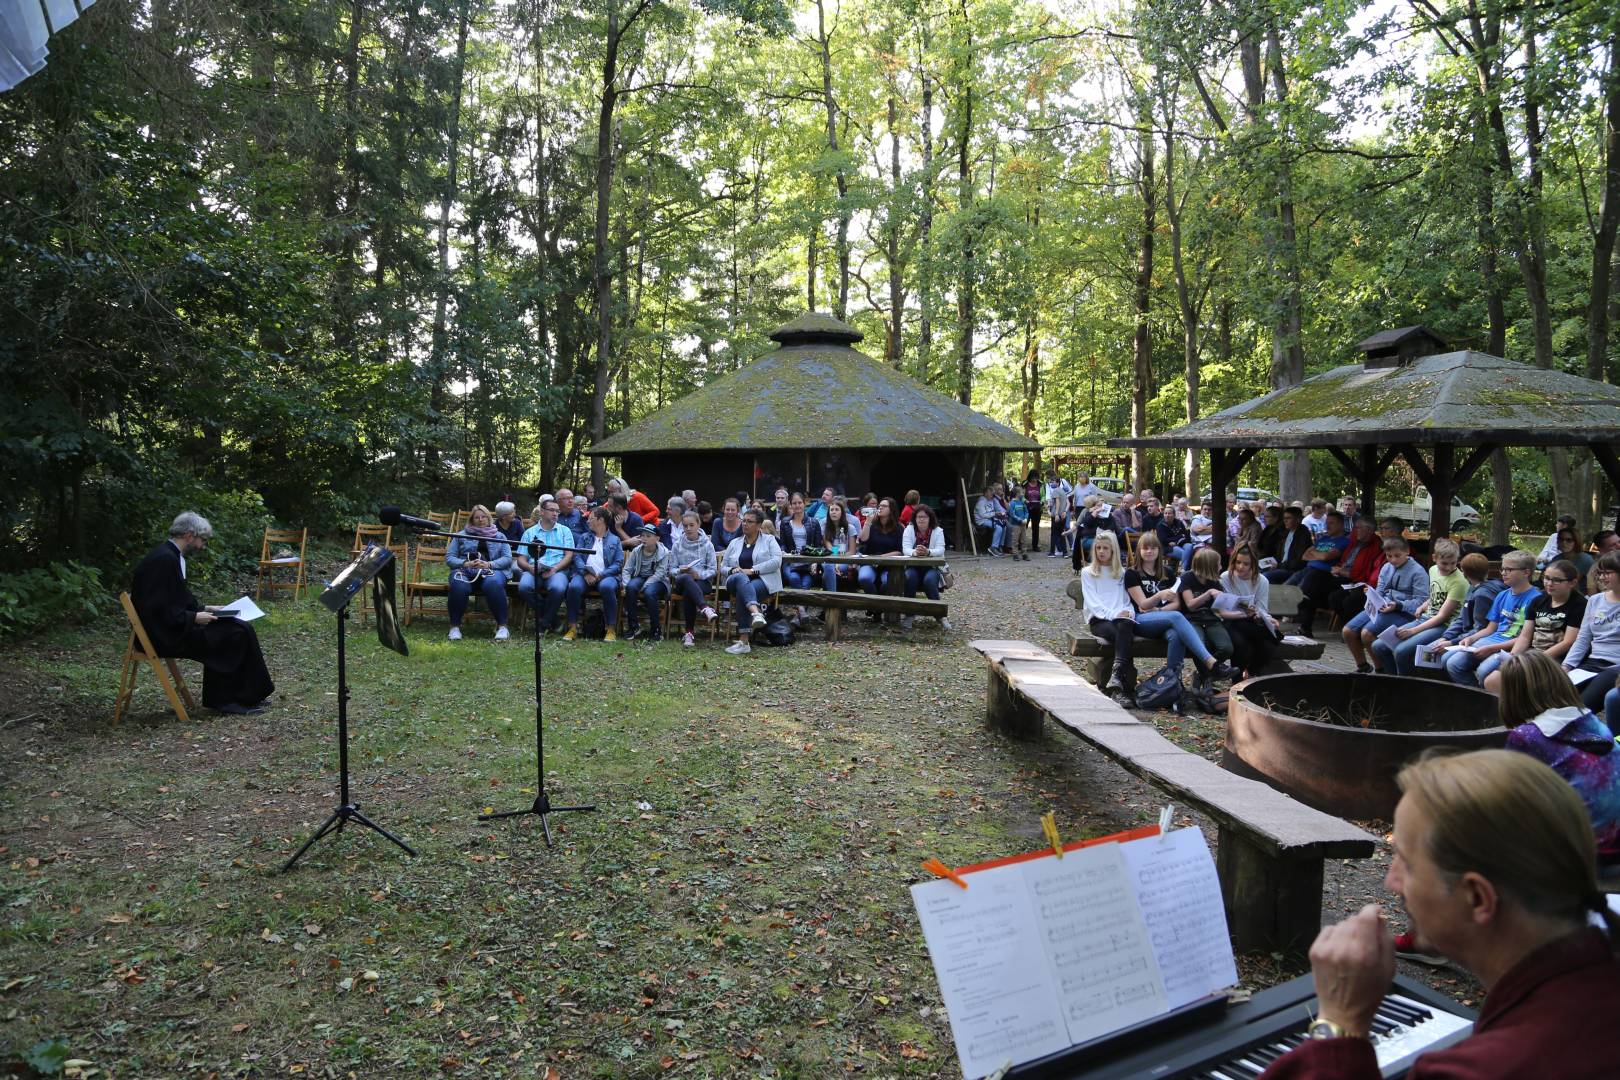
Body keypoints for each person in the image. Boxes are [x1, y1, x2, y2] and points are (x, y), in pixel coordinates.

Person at [1257, 750, 1620, 1079]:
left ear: (1477, 898)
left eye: (1406, 862)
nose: (1390, 881)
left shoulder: (1482, 1069)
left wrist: (1340, 1023)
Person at [130, 511, 274, 714]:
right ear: (189, 535)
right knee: (233, 634)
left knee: (241, 626)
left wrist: (205, 609)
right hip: (163, 635)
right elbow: (154, 609)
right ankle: (224, 700)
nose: (202, 546)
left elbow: (174, 601)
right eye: (202, 540)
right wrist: (194, 617)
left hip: (173, 626)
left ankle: (249, 695)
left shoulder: (170, 556)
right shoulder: (163, 560)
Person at [1496, 652, 1620, 866]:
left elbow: (1508, 799)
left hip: (1585, 857)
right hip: (1614, 846)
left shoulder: (1527, 736)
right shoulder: (1590, 719)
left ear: (1512, 693)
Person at [1125, 531, 1232, 694]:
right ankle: (1210, 661)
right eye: (1145, 548)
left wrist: (1159, 610)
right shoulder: (1132, 573)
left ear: (1159, 550)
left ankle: (1172, 683)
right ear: (1139, 551)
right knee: (1176, 617)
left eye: (1153, 548)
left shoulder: (1167, 572)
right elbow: (1143, 605)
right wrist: (1159, 596)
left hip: (1164, 619)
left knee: (1177, 634)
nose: (1149, 551)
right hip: (1141, 620)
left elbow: (1176, 604)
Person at [1481, 560, 1585, 692]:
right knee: (1492, 681)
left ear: (1572, 583)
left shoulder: (1579, 604)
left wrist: (1535, 660)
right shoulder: (1538, 600)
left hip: (1556, 657)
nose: (1549, 583)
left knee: (1522, 684)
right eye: (1546, 578)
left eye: (1557, 580)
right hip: (1531, 652)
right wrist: (1513, 656)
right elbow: (1525, 637)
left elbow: (1568, 642)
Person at [1442, 550, 1542, 687]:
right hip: (1493, 639)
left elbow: (1526, 638)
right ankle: (1476, 693)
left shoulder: (1537, 598)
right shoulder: (1502, 595)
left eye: (1509, 570)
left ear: (1526, 572)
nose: (1503, 573)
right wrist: (1471, 638)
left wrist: (1491, 648)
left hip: (1512, 646)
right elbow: (1490, 628)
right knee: (1450, 662)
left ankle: (1487, 694)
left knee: (1483, 671)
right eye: (1503, 569)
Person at [1371, 539, 1466, 676]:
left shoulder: (1459, 582)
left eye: (1453, 563)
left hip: (1444, 625)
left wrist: (1413, 631)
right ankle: (1391, 679)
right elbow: (1436, 594)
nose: (1449, 567)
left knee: (1401, 651)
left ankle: (1407, 684)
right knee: (1378, 646)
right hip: (1426, 618)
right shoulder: (1433, 570)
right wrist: (1423, 605)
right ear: (1434, 558)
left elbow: (1442, 616)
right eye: (1444, 563)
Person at [1342, 536, 1427, 674]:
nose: (1393, 560)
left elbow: (1421, 601)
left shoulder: (1418, 572)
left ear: (1407, 552)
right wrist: (1372, 594)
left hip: (1404, 612)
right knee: (1348, 631)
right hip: (1384, 606)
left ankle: (1381, 670)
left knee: (1367, 634)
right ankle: (1363, 666)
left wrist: (1398, 605)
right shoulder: (1386, 567)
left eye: (1397, 556)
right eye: (1389, 556)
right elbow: (1380, 590)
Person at [1080, 531, 1141, 703]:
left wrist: (1129, 613)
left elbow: (1126, 601)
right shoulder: (1087, 572)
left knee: (1125, 626)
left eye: (1105, 548)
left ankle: (1116, 681)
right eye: (1098, 548)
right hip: (1100, 620)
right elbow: (1094, 604)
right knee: (1123, 634)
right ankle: (1124, 687)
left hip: (1121, 621)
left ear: (1113, 550)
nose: (1101, 551)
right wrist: (1114, 614)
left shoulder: (1121, 573)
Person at [1562, 551, 1620, 713]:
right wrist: (1566, 666)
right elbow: (1583, 638)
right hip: (1592, 662)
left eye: (1607, 573)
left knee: (1582, 707)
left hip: (1616, 666)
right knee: (1556, 697)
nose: (1601, 578)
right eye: (1600, 573)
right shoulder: (1595, 600)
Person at [445, 504, 512, 641]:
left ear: (489, 518)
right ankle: (454, 627)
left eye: (483, 517)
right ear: (471, 520)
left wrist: (489, 564)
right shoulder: (460, 536)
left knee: (493, 583)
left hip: (492, 570)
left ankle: (502, 627)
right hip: (465, 570)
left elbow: (507, 558)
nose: (480, 520)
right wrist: (465, 563)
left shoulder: (500, 536)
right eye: (477, 517)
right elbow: (450, 558)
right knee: (459, 584)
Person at [721, 507, 782, 655]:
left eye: (750, 521)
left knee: (745, 592)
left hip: (762, 581)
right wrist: (732, 570)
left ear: (759, 525)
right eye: (744, 521)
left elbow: (776, 561)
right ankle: (756, 612)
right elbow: (722, 566)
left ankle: (744, 641)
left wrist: (753, 570)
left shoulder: (769, 540)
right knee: (741, 578)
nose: (745, 524)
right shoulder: (734, 542)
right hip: (734, 580)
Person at [515, 496, 576, 633]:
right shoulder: (529, 532)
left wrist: (555, 569)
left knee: (558, 588)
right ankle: (552, 620)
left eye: (557, 511)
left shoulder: (565, 531)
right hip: (534, 569)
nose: (555, 513)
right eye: (552, 510)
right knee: (524, 587)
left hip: (557, 570)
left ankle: (543, 623)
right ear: (542, 512)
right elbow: (521, 559)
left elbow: (569, 555)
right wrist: (529, 568)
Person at [1221, 542, 1281, 679]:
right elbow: (1225, 606)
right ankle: (1237, 682)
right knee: (1241, 644)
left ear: (1253, 564)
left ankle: (1252, 673)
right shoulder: (1226, 577)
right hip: (1231, 620)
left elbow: (1262, 608)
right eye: (1238, 562)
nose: (1240, 567)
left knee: (1268, 645)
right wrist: (1246, 611)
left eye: (1246, 564)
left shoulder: (1262, 581)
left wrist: (1267, 619)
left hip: (1251, 622)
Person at [563, 506, 624, 642]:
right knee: (574, 587)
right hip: (584, 574)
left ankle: (610, 629)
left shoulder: (615, 540)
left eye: (591, 518)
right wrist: (585, 572)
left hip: (606, 576)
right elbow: (577, 556)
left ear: (600, 520)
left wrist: (601, 575)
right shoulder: (584, 537)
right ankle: (572, 628)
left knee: (607, 587)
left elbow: (618, 563)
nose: (588, 521)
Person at [1290, 511, 1354, 635]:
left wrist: (1315, 554)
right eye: (1326, 523)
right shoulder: (1323, 538)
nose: (1327, 526)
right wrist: (1319, 555)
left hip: (1324, 574)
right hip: (1307, 571)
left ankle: (1304, 625)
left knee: (1306, 592)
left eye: (1331, 523)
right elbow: (1304, 555)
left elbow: (1326, 557)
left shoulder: (1344, 541)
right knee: (1285, 588)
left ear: (1341, 525)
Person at [1177, 546, 1236, 665]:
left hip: (1211, 619)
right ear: (1208, 566)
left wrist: (1244, 611)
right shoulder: (1187, 578)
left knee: (1226, 648)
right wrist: (1208, 594)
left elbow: (1222, 609)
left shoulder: (1214, 581)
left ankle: (1210, 670)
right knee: (1200, 646)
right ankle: (1210, 673)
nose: (1220, 567)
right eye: (1218, 564)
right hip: (1192, 619)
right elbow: (1190, 605)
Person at [668, 509, 718, 648]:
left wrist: (699, 575)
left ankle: (689, 633)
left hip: (702, 582)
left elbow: (713, 570)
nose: (688, 528)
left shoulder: (707, 544)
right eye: (685, 526)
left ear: (698, 525)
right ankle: (705, 608)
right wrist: (680, 570)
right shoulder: (677, 544)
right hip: (681, 581)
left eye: (691, 525)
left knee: (689, 592)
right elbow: (671, 570)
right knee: (686, 578)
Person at [900, 504, 952, 631]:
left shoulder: (938, 531)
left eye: (924, 517)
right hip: (913, 566)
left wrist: (928, 552)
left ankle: (940, 615)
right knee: (909, 578)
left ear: (930, 518)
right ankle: (909, 615)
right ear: (915, 518)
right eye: (918, 517)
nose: (921, 519)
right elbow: (905, 548)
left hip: (932, 567)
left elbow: (940, 550)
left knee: (929, 581)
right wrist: (915, 552)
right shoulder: (909, 529)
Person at [776, 492, 825, 616]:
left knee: (806, 583)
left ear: (804, 504)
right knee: (794, 578)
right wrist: (783, 551)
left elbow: (818, 546)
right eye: (794, 503)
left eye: (799, 503)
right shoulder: (785, 522)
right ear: (790, 505)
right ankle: (802, 612)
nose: (797, 505)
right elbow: (783, 543)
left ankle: (799, 615)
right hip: (791, 562)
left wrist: (815, 562)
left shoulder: (814, 522)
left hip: (809, 563)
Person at [621, 524, 671, 641]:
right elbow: (627, 570)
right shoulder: (637, 551)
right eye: (642, 535)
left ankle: (656, 629)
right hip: (640, 577)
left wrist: (644, 586)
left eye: (648, 536)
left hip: (659, 581)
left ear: (657, 538)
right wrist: (626, 584)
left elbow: (660, 573)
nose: (644, 538)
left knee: (649, 593)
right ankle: (633, 626)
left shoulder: (664, 552)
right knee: (631, 588)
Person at [858, 496, 906, 596]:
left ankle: (880, 602)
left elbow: (900, 551)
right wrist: (868, 521)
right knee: (864, 578)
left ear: (891, 510)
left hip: (889, 564)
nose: (880, 507)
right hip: (870, 562)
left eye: (884, 506)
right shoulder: (872, 525)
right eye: (879, 506)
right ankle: (875, 602)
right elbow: (863, 540)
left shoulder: (899, 528)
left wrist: (881, 558)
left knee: (887, 582)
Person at [1263, 505, 1317, 584]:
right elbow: (1280, 553)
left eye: (1288, 518)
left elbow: (1297, 561)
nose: (1285, 521)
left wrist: (1278, 566)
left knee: (1265, 576)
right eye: (1284, 518)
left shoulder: (1303, 535)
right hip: (1281, 565)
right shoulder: (1285, 532)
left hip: (1292, 570)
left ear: (1298, 519)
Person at [819, 499, 859, 594]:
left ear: (842, 513)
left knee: (825, 576)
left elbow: (852, 551)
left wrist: (838, 561)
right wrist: (835, 562)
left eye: (837, 510)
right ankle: (833, 598)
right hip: (829, 559)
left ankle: (831, 600)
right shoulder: (825, 528)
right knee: (829, 566)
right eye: (832, 510)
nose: (834, 512)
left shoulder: (850, 528)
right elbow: (829, 549)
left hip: (845, 559)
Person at [1044, 469, 1072, 557]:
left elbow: (1057, 503)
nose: (1050, 483)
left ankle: (1052, 552)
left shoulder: (1055, 491)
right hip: (1063, 514)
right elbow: (1068, 503)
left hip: (1057, 515)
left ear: (1057, 482)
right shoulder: (1063, 491)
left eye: (1052, 482)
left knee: (1054, 534)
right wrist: (1065, 511)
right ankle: (1065, 553)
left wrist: (1055, 513)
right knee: (1062, 533)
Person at [974, 484, 1009, 555]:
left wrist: (997, 514)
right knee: (998, 527)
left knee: (1004, 526)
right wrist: (994, 514)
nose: (992, 495)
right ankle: (993, 547)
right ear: (986, 493)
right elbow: (983, 515)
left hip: (990, 519)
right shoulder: (981, 502)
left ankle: (1000, 546)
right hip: (982, 520)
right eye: (991, 493)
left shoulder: (990, 500)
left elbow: (992, 511)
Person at [1023, 469, 1044, 552]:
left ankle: (1035, 546)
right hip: (1026, 508)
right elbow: (1020, 494)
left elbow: (1044, 495)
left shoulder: (1041, 484)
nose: (1034, 480)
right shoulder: (1025, 484)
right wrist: (1025, 500)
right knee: (1024, 526)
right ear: (1030, 477)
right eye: (1032, 478)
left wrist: (1042, 501)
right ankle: (1021, 545)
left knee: (1035, 528)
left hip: (1037, 508)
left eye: (1036, 478)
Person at [1006, 489, 1030, 559]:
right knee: (1015, 540)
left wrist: (1025, 518)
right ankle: (1015, 554)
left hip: (1023, 524)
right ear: (1017, 494)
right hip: (1016, 525)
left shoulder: (1022, 502)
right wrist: (1020, 520)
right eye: (1022, 493)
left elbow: (1026, 511)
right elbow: (1012, 514)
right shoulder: (1012, 503)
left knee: (1024, 540)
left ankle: (1024, 554)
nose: (1023, 494)